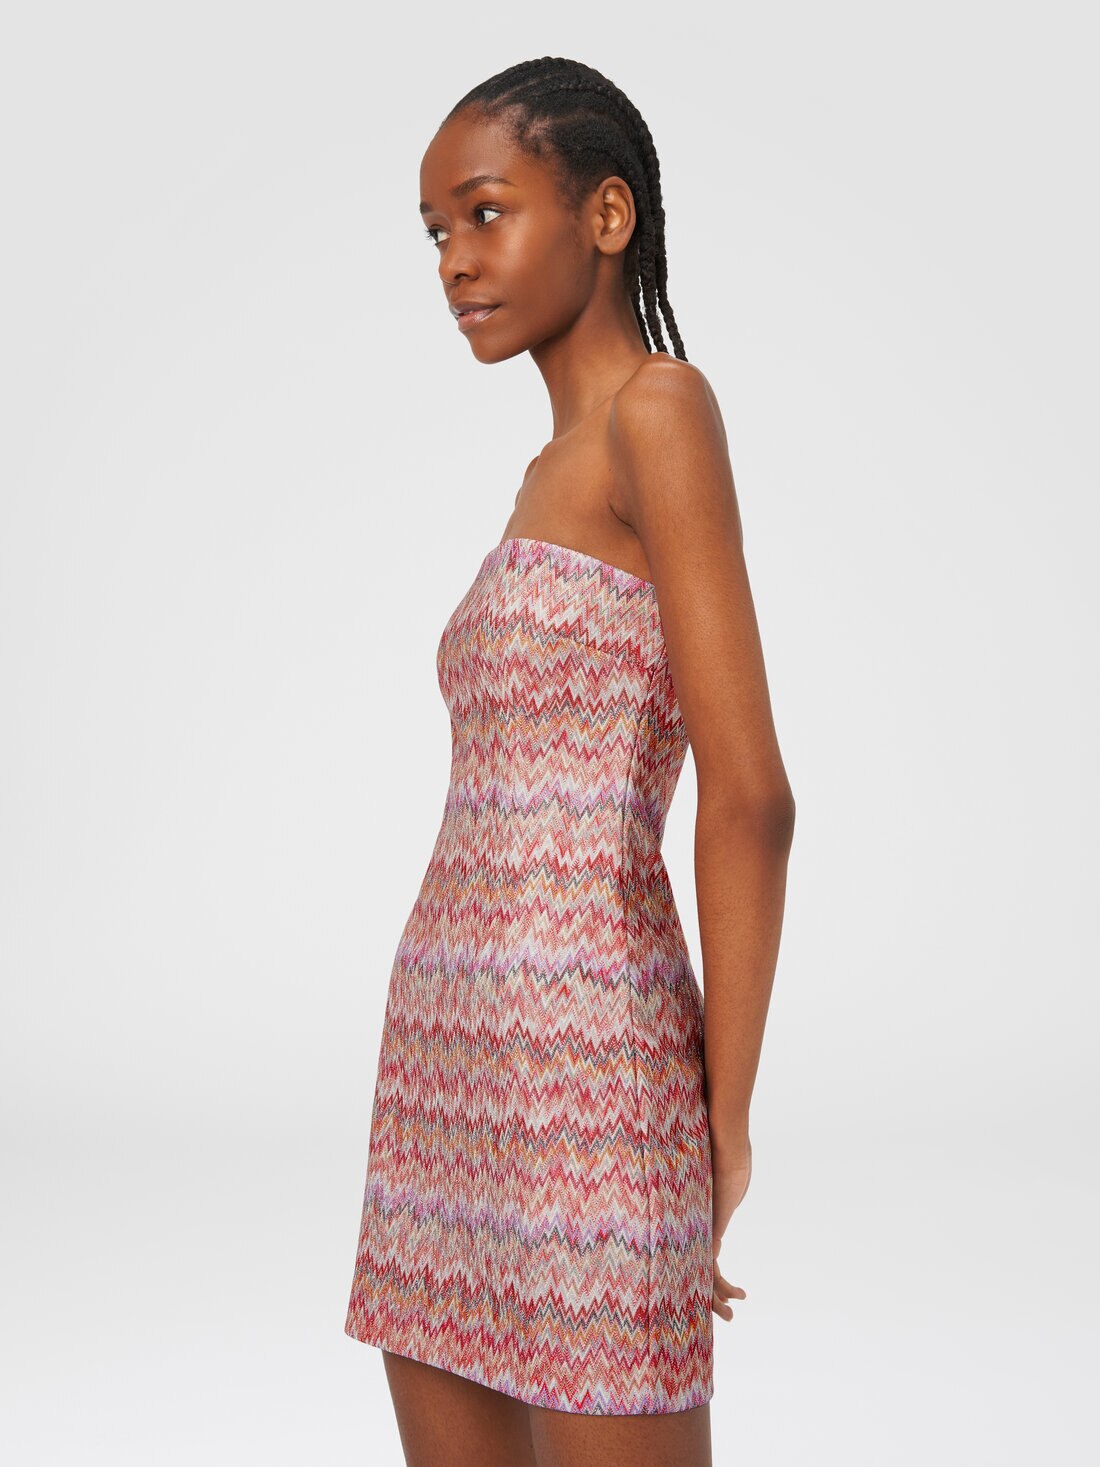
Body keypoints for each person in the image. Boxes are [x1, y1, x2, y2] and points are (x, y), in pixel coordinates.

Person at [345, 56, 796, 1467]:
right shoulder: (544, 473)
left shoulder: (661, 410)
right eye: (435, 232)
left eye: (486, 214)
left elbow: (752, 797)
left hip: (593, 1061)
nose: (453, 261)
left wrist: (722, 1121)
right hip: (443, 1059)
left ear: (607, 215)